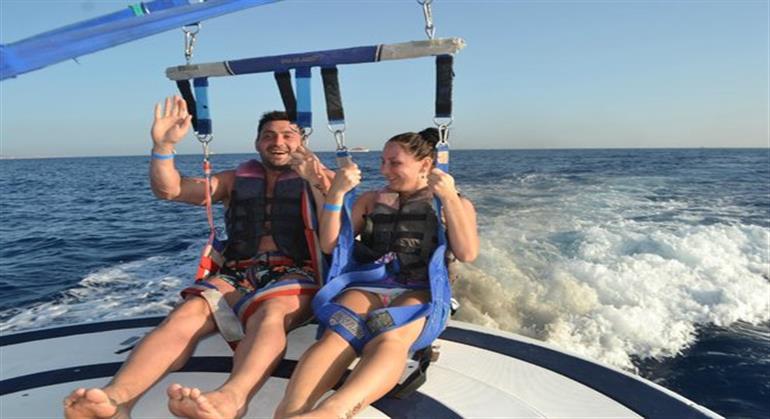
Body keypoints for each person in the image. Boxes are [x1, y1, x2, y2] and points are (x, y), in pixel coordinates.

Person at [63, 96, 333, 419]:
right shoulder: (233, 180)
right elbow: (171, 190)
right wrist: (163, 146)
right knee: (186, 314)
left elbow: (338, 228)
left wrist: (317, 179)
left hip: (295, 272)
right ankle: (116, 401)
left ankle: (231, 400)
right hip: (237, 273)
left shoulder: (322, 179)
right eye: (269, 135)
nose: (278, 142)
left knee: (270, 313)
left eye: (288, 135)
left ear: (302, 141)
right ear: (257, 143)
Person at [275, 128, 479, 418]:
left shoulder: (451, 202)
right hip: (371, 284)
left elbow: (467, 253)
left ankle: (333, 412)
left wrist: (448, 197)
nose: (384, 170)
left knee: (389, 337)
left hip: (421, 290)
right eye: (383, 162)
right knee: (339, 334)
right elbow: (330, 244)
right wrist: (337, 193)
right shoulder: (371, 200)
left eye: (394, 163)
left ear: (425, 164)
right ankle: (289, 412)